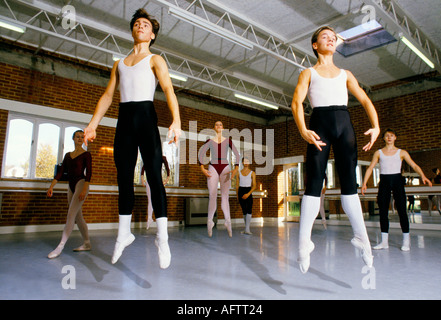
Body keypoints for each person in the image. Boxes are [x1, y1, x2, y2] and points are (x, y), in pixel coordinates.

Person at [84, 9, 181, 269]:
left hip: (146, 117)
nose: (140, 26)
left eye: (145, 24)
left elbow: (169, 89)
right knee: (123, 176)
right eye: (137, 23)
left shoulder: (155, 59)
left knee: (153, 175)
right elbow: (107, 97)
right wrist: (92, 124)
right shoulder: (119, 63)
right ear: (132, 31)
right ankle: (123, 233)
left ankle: (162, 237)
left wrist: (177, 120)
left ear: (152, 34)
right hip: (124, 119)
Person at [291, 26, 380, 273]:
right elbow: (296, 103)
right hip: (319, 124)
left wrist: (376, 126)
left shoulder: (346, 74)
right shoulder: (308, 73)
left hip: (345, 126)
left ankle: (363, 239)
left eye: (334, 37)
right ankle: (303, 243)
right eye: (324, 36)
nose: (331, 39)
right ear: (315, 45)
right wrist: (302, 130)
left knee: (349, 183)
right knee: (314, 182)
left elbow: (364, 99)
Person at [362, 129, 432, 251]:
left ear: (395, 138)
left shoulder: (402, 152)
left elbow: (414, 165)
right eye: (387, 136)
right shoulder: (378, 153)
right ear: (383, 138)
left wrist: (423, 176)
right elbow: (370, 168)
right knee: (383, 211)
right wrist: (364, 183)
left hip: (397, 181)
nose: (389, 137)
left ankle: (406, 241)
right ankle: (384, 242)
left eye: (392, 136)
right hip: (384, 181)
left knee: (402, 210)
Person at [47, 130, 92, 259]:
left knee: (70, 215)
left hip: (81, 184)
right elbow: (60, 173)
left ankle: (60, 247)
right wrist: (51, 186)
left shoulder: (86, 155)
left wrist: (84, 189)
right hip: (71, 186)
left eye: (82, 137)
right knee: (78, 217)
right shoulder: (68, 155)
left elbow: (89, 173)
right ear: (73, 138)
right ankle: (87, 243)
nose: (79, 138)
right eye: (77, 136)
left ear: (84, 140)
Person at [198, 121, 240, 237]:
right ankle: (210, 221)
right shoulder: (210, 141)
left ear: (223, 128)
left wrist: (236, 169)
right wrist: (202, 168)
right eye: (216, 125)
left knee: (225, 197)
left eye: (221, 125)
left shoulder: (228, 140)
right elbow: (201, 153)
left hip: (225, 167)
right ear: (214, 128)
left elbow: (237, 154)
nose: (218, 126)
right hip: (213, 167)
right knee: (212, 195)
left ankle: (228, 222)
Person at [141, 156, 170, 229]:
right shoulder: (149, 157)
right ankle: (150, 218)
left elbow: (167, 168)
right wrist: (142, 179)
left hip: (157, 181)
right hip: (149, 181)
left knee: (159, 200)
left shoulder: (162, 158)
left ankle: (159, 221)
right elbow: (143, 168)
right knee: (150, 200)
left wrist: (167, 179)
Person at [235, 157, 256, 235]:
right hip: (241, 191)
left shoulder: (252, 173)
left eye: (248, 161)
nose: (246, 162)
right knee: (244, 210)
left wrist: (248, 193)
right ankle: (246, 229)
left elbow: (254, 186)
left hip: (248, 191)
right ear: (242, 162)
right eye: (245, 161)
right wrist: (237, 195)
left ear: (249, 162)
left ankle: (247, 229)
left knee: (249, 209)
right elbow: (237, 185)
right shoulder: (238, 173)